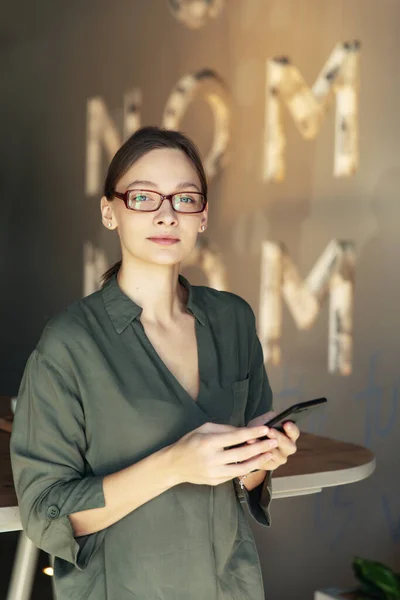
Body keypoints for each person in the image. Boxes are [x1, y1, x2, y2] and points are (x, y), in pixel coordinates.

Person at [10, 126, 299, 600]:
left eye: (184, 199)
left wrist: (261, 459)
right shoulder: (70, 343)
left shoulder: (233, 320)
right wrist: (174, 464)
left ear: (202, 216)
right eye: (144, 197)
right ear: (110, 211)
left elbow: (241, 481)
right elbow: (46, 512)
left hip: (230, 587)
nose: (167, 215)